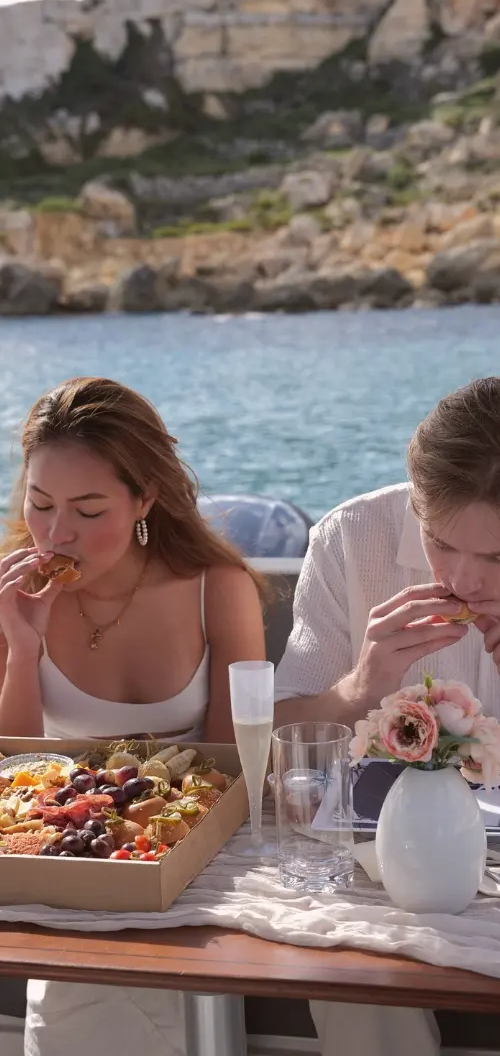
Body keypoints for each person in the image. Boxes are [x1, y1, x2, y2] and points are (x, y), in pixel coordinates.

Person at [273, 370, 500, 1056]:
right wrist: (365, 681)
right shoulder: (351, 539)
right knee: (354, 993)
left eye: (497, 557)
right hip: (382, 857)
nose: (462, 580)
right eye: (439, 542)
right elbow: (285, 746)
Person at [0, 377, 269, 1056]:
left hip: (189, 868)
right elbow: (12, 776)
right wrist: (21, 650)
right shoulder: (15, 590)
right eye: (40, 504)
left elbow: (227, 779)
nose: (58, 533)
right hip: (65, 866)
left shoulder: (218, 589)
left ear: (145, 497)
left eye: (89, 510)